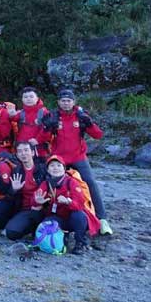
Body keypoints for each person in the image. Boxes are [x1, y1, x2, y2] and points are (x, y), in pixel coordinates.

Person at [42, 89, 112, 235]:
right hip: (58, 158)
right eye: (63, 100)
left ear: (73, 102)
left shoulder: (81, 116)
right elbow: (43, 139)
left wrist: (89, 123)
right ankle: (47, 216)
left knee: (90, 183)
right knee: (48, 183)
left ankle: (102, 219)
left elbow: (98, 135)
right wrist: (47, 127)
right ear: (58, 102)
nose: (66, 103)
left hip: (78, 157)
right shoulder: (53, 116)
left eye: (68, 100)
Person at [32, 155, 100, 254]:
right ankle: (58, 238)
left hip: (72, 218)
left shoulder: (72, 182)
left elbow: (80, 204)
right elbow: (33, 200)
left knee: (78, 215)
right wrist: (37, 201)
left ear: (64, 169)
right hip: (57, 218)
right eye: (52, 166)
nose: (55, 168)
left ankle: (80, 242)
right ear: (47, 170)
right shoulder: (45, 184)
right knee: (42, 220)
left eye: (58, 165)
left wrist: (68, 201)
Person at [4, 141, 48, 241]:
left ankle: (38, 229)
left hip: (43, 208)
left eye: (26, 150)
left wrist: (42, 204)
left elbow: (52, 189)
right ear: (17, 155)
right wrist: (14, 190)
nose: (23, 154)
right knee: (11, 233)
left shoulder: (43, 169)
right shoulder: (16, 171)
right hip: (26, 209)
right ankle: (31, 228)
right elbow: (9, 197)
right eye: (20, 151)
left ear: (33, 153)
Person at [8, 87, 51, 158]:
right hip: (21, 148)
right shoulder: (21, 112)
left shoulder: (44, 112)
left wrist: (38, 140)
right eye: (25, 97)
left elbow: (48, 130)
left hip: (38, 148)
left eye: (31, 96)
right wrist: (11, 115)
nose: (28, 99)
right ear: (22, 99)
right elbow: (13, 118)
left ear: (37, 98)